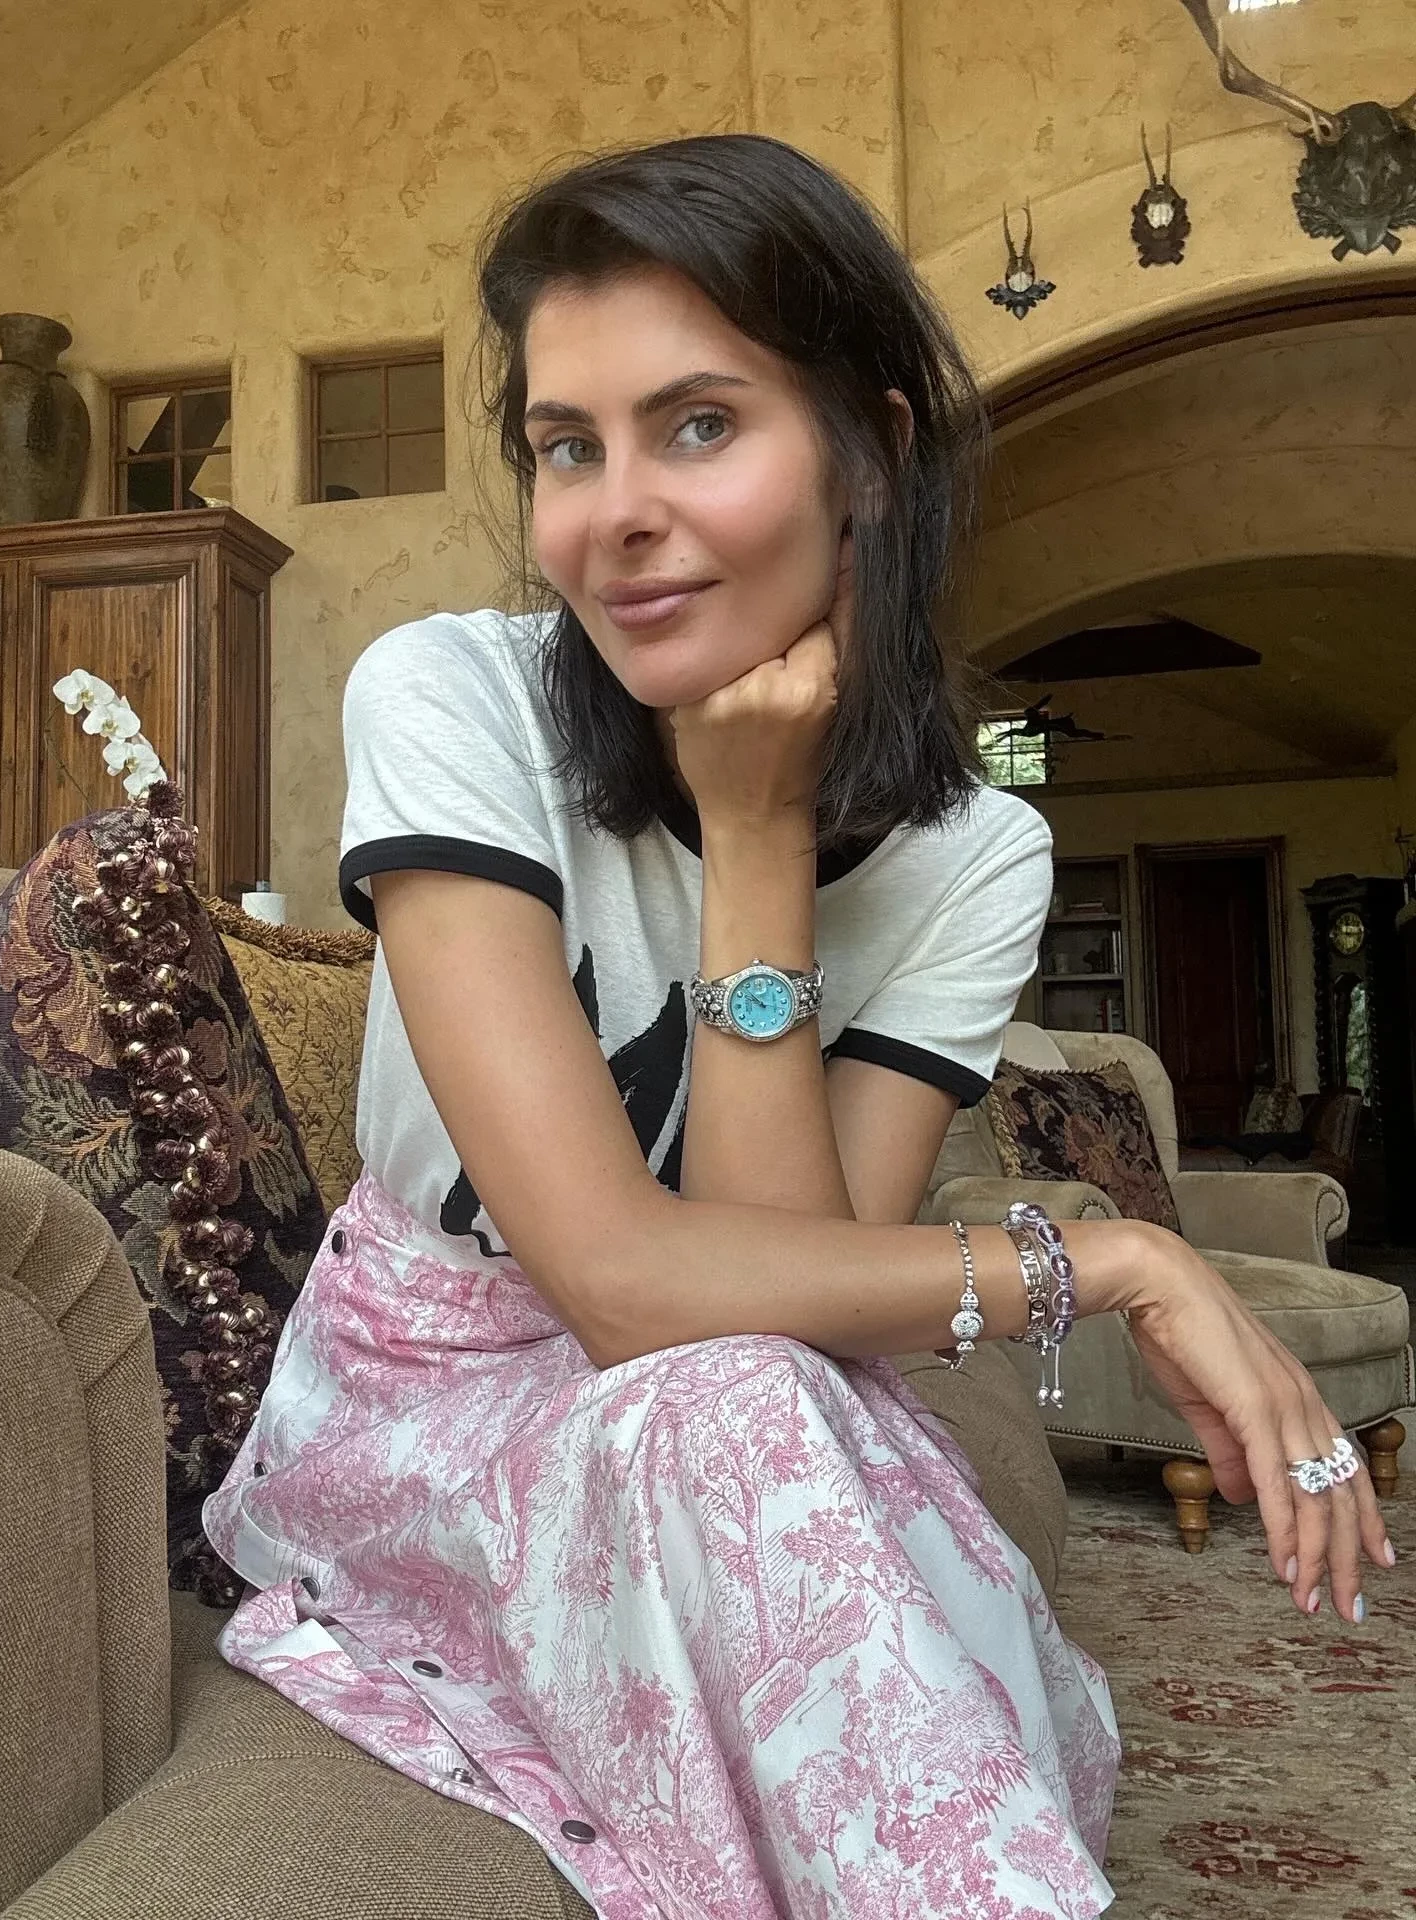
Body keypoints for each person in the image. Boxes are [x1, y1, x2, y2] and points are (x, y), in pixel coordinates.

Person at [202, 132, 1395, 1919]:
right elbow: (623, 1285)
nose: (615, 513)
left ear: (872, 454)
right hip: (428, 1406)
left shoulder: (979, 855)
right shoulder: (451, 701)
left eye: (698, 424)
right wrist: (1120, 1261)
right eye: (565, 446)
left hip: (736, 1398)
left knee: (754, 1405)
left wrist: (754, 837)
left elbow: (784, 1283)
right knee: (737, 1411)